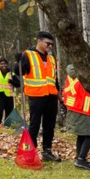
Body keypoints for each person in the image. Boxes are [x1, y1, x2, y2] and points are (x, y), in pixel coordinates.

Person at [19, 31, 61, 162]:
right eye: (48, 44)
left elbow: (55, 79)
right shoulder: (28, 55)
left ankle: (47, 151)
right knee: (35, 125)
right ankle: (31, 152)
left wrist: (60, 97)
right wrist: (18, 65)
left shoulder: (51, 58)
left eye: (52, 44)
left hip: (51, 96)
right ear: (39, 41)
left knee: (49, 125)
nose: (50, 47)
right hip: (36, 96)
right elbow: (20, 73)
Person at [62, 64, 90, 169]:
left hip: (76, 106)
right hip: (85, 107)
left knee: (81, 134)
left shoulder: (73, 71)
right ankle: (81, 159)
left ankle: (79, 158)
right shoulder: (85, 71)